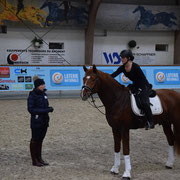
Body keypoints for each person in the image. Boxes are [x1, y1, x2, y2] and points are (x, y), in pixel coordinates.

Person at [111, 49, 154, 129]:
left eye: (123, 57)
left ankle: (150, 121)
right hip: (135, 85)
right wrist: (103, 77)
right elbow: (113, 75)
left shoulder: (135, 67)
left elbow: (142, 79)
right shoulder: (122, 68)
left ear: (129, 58)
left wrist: (139, 89)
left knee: (144, 102)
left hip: (144, 85)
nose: (121, 59)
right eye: (121, 57)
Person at [27, 76, 54, 166]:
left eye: (44, 84)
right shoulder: (32, 95)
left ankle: (39, 158)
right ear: (37, 86)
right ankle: (34, 160)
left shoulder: (44, 94)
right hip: (36, 121)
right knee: (35, 140)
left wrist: (48, 108)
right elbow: (31, 109)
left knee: (41, 140)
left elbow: (45, 105)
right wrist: (46, 110)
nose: (44, 86)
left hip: (44, 121)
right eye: (42, 84)